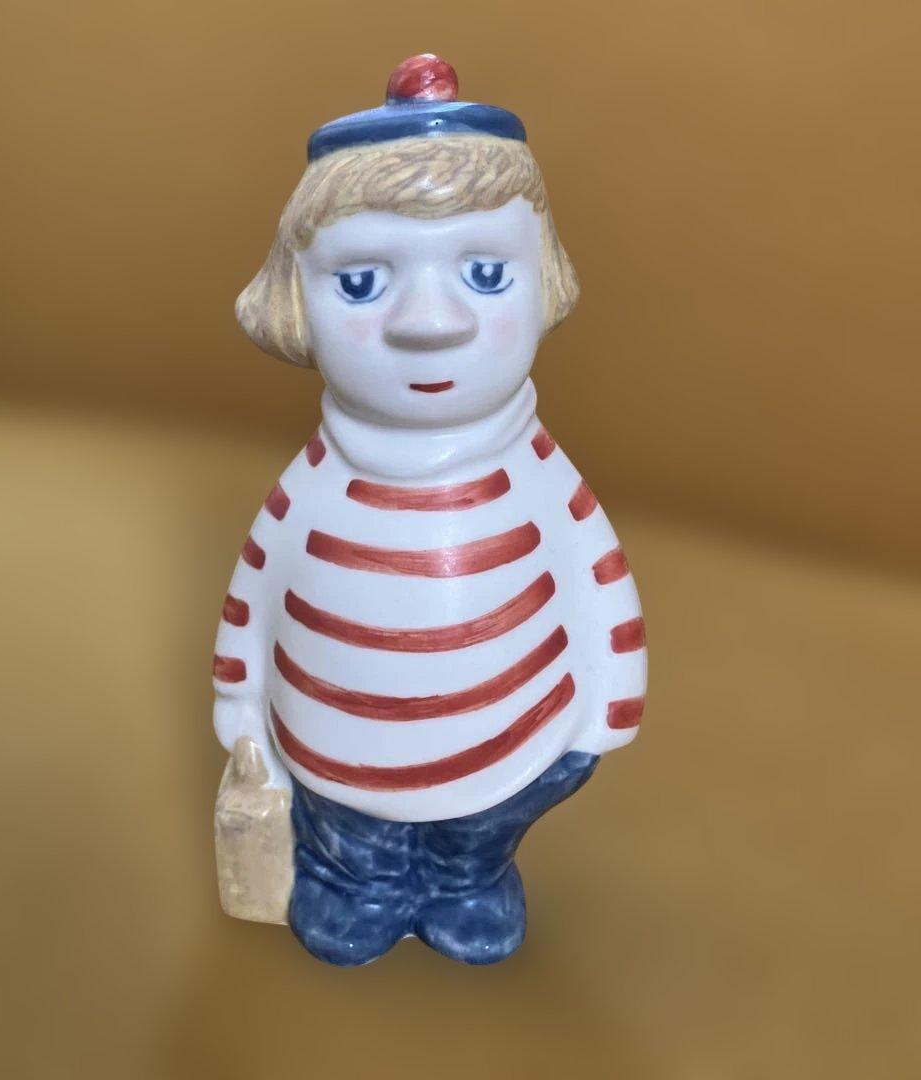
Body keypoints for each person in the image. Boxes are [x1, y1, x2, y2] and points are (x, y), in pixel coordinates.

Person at [213, 54, 647, 965]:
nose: (431, 322)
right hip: (335, 753)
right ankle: (359, 882)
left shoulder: (545, 479)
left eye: (484, 272)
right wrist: (240, 703)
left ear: (542, 278)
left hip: (515, 746)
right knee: (352, 837)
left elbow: (600, 580)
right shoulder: (308, 489)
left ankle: (465, 880)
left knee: (478, 835)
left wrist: (607, 710)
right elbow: (254, 593)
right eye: (361, 283)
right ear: (296, 301)